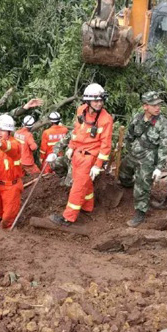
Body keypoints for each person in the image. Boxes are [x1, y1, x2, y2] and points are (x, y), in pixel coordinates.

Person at [49, 83, 113, 226]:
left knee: (78, 187)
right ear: (88, 101)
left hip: (89, 157)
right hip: (77, 154)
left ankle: (68, 218)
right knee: (86, 183)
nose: (99, 103)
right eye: (96, 100)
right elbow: (77, 130)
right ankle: (87, 206)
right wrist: (71, 146)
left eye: (101, 100)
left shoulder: (105, 119)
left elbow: (105, 145)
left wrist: (98, 165)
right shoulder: (81, 111)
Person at [119, 91, 167, 227]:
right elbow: (130, 134)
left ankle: (140, 212)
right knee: (123, 172)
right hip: (135, 152)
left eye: (158, 104)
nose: (157, 107)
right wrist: (126, 145)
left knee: (142, 185)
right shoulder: (138, 118)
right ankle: (128, 187)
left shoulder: (162, 123)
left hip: (149, 156)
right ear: (145, 106)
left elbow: (164, 146)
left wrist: (159, 167)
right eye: (153, 105)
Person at [0, 114, 24, 229]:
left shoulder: (14, 144)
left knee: (8, 216)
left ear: (9, 131)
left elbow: (9, 148)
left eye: (3, 130)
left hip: (11, 187)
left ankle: (6, 229)